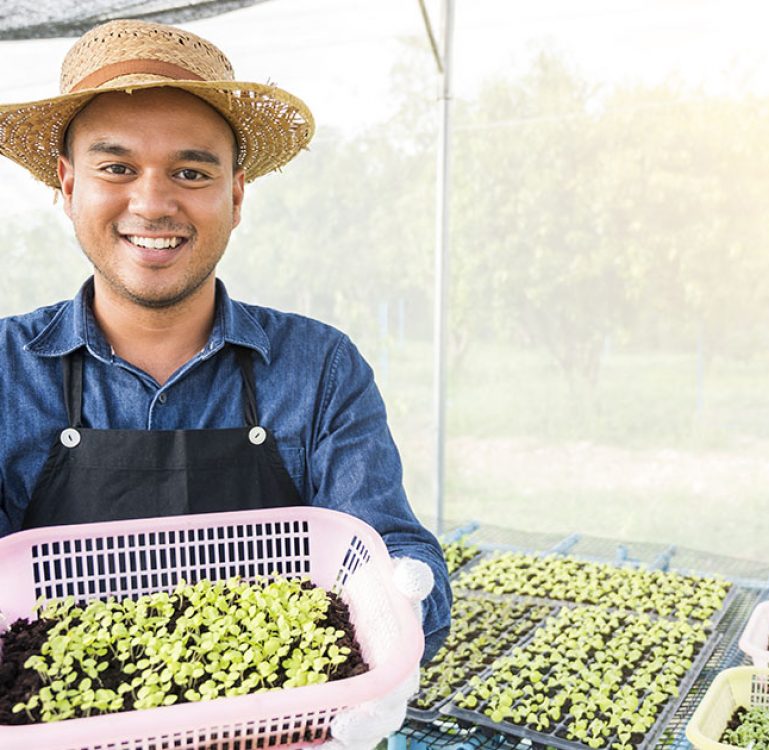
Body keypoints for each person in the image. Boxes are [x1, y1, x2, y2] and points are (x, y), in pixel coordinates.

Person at [0, 14, 449, 702]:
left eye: (190, 171)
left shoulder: (319, 368)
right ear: (66, 185)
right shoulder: (7, 370)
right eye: (116, 167)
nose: (152, 203)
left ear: (235, 194)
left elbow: (387, 543)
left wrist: (399, 606)